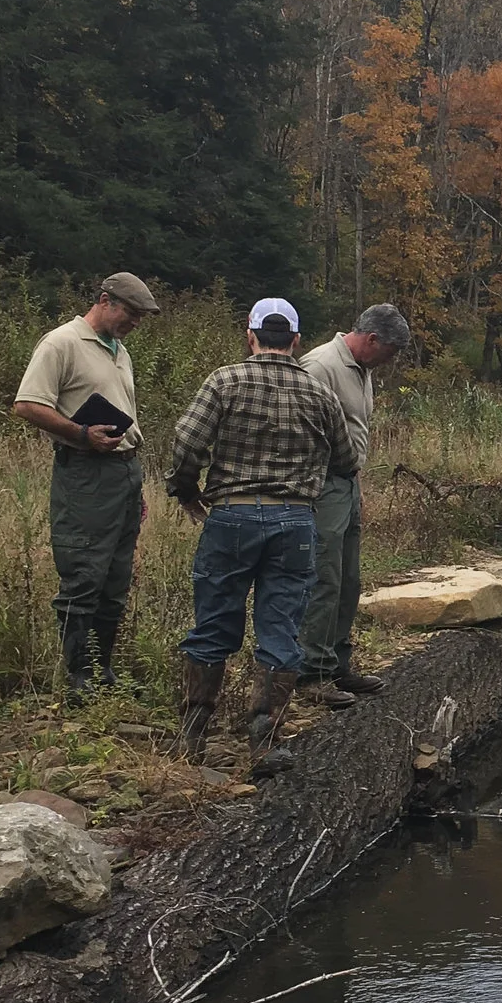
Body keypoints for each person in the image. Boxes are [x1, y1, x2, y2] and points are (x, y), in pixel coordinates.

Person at [164, 299, 357, 777]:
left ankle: (192, 740)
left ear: (250, 335)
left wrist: (187, 490)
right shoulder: (319, 391)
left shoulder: (223, 381)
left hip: (230, 517)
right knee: (280, 627)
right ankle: (265, 742)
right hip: (294, 522)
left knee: (213, 624)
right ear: (295, 340)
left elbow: (186, 442)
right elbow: (348, 459)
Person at [11, 272, 161, 698]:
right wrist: (81, 435)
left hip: (124, 472)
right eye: (130, 314)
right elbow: (27, 404)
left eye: (140, 318)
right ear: (104, 300)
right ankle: (79, 677)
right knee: (84, 574)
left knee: (116, 577)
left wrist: (136, 485)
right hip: (84, 472)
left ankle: (102, 671)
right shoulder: (61, 343)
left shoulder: (120, 351)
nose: (134, 323)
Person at [296, 304, 413, 706]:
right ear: (372, 340)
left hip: (346, 484)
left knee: (348, 579)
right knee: (324, 577)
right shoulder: (320, 366)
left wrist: (356, 485)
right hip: (321, 485)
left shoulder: (362, 371)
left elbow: (353, 431)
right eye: (390, 352)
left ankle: (337, 666)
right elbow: (299, 432)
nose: (390, 360)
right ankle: (311, 673)